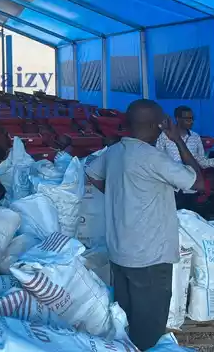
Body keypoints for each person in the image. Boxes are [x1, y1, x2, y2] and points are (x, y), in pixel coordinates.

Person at [86, 99, 203, 351]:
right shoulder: (154, 158)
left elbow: (92, 173)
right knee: (149, 327)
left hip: (120, 252)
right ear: (157, 125)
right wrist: (178, 140)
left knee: (126, 319)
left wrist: (121, 196)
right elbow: (199, 182)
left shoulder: (115, 151)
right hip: (150, 256)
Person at [156, 106, 214, 208]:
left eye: (192, 118)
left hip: (191, 188)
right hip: (171, 189)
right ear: (177, 119)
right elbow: (158, 160)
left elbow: (202, 161)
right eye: (187, 119)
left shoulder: (195, 137)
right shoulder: (164, 136)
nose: (191, 121)